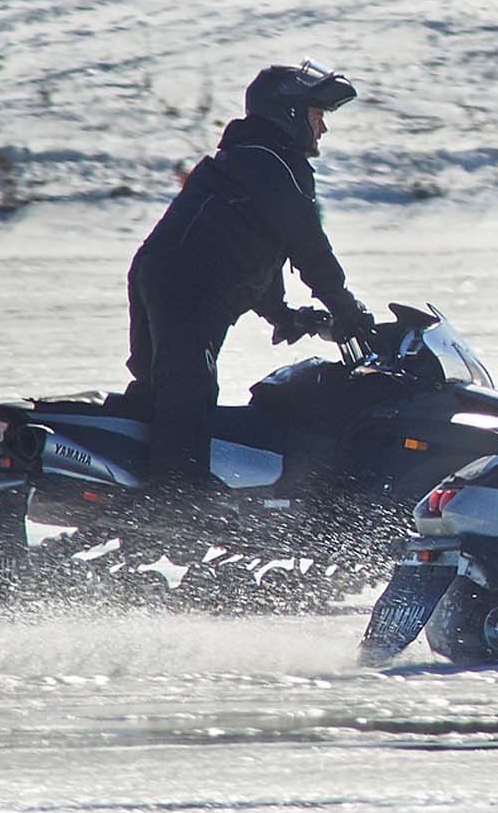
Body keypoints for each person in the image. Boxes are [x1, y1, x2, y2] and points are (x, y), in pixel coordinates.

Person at [123, 61, 371, 499]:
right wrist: (346, 308)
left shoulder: (249, 159)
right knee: (189, 390)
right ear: (289, 114)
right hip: (188, 283)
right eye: (317, 117)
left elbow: (253, 247)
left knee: (159, 391)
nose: (323, 131)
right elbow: (307, 245)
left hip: (164, 274)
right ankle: (176, 504)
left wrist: (282, 314)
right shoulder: (273, 164)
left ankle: (128, 482)